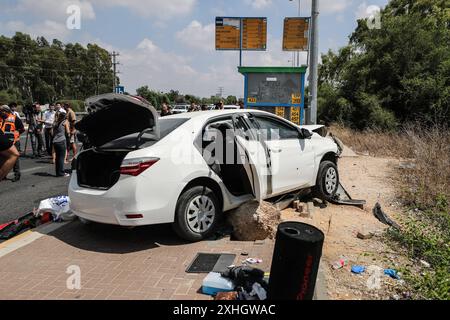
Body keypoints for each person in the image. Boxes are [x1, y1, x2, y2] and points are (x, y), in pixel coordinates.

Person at [0, 105, 25, 182]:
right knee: (2, 158)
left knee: (14, 158)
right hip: (3, 142)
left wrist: (17, 133)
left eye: (2, 111)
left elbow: (22, 128)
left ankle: (17, 174)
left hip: (13, 141)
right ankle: (4, 175)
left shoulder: (14, 118)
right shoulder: (0, 118)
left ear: (6, 111)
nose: (0, 112)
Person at [52, 111, 70, 177]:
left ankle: (58, 172)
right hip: (62, 140)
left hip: (55, 141)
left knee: (57, 158)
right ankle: (61, 173)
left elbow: (52, 133)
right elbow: (68, 132)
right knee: (61, 158)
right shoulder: (65, 122)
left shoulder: (56, 123)